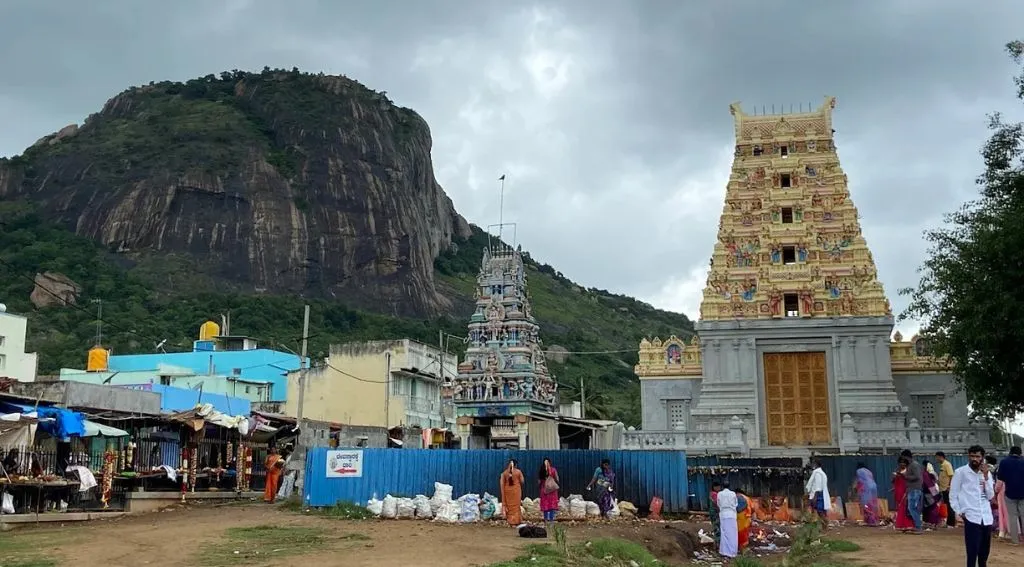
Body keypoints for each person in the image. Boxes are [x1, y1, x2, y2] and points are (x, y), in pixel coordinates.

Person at [951, 445, 995, 567]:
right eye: (972, 456)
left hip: (986, 517)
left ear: (982, 458)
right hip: (971, 516)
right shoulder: (960, 472)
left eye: (977, 456)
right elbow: (953, 494)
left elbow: (991, 495)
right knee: (972, 551)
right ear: (968, 456)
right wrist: (958, 511)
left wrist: (986, 477)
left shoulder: (986, 474)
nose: (974, 459)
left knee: (984, 553)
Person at [998, 445, 1024, 544]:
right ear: (1020, 453)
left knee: (1012, 516)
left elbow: (1000, 477)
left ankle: (1015, 540)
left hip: (1010, 493)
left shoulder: (1004, 462)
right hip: (1023, 493)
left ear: (1010, 452)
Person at [900, 449, 924, 534]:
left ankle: (918, 527)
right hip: (912, 489)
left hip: (915, 489)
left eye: (903, 458)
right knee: (912, 508)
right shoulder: (911, 465)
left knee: (912, 508)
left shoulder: (914, 465)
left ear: (906, 457)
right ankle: (917, 526)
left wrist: (905, 476)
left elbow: (917, 477)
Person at [805, 458, 830, 531]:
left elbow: (817, 486)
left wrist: (814, 496)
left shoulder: (817, 473)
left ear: (815, 464)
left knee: (819, 510)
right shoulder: (820, 473)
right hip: (819, 493)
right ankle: (823, 526)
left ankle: (825, 523)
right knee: (819, 510)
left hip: (818, 494)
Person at [717, 482, 739, 558]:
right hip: (732, 514)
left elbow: (718, 504)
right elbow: (736, 504)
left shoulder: (719, 494)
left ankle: (724, 551)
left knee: (724, 533)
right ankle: (733, 552)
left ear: (722, 486)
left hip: (723, 514)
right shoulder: (733, 494)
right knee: (733, 534)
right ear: (729, 486)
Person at [892, 457, 915, 531]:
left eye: (904, 462)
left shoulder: (908, 471)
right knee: (900, 508)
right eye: (901, 462)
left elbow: (910, 480)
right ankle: (901, 525)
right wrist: (895, 477)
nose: (902, 464)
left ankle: (908, 525)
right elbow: (893, 481)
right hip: (898, 491)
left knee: (905, 507)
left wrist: (902, 475)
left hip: (906, 491)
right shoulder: (897, 471)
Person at [500, 459, 525, 526]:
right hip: (516, 490)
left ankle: (511, 520)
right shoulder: (518, 472)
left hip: (507, 491)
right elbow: (522, 481)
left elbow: (502, 483)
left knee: (509, 506)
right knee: (516, 506)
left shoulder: (505, 473)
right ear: (516, 465)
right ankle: (516, 520)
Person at [987, 455, 1006, 538]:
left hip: (996, 491)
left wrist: (995, 492)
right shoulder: (996, 468)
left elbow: (997, 482)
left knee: (996, 510)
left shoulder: (990, 469)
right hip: (999, 491)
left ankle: (997, 527)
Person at [937, 451, 957, 528]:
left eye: (937, 457)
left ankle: (951, 524)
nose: (937, 459)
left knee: (950, 506)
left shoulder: (947, 464)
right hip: (943, 488)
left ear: (940, 457)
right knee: (947, 506)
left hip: (947, 488)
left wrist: (949, 486)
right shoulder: (942, 465)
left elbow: (951, 476)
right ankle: (949, 522)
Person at [538, 457, 559, 527]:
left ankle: (545, 520)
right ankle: (551, 521)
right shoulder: (553, 470)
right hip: (552, 490)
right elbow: (557, 479)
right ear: (550, 462)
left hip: (544, 490)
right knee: (552, 505)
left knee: (545, 505)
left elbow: (539, 481)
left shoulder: (541, 470)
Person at [709, 480, 722, 546]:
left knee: (716, 528)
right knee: (717, 529)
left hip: (713, 513)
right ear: (714, 487)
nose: (719, 488)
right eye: (718, 487)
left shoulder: (711, 493)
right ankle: (718, 545)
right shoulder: (714, 494)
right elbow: (717, 503)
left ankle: (717, 544)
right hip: (715, 513)